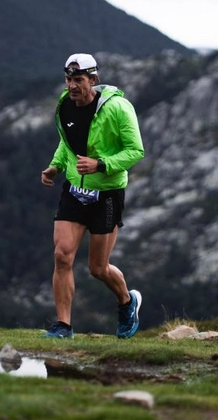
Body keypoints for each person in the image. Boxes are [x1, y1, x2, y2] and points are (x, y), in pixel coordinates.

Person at [39, 53, 145, 339]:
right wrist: (56, 166)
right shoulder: (65, 106)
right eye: (69, 80)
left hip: (107, 194)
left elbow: (136, 150)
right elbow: (68, 143)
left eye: (79, 80)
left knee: (98, 268)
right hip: (74, 190)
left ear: (93, 80)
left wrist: (101, 164)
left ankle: (127, 301)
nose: (72, 86)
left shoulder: (119, 108)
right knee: (62, 256)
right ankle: (63, 326)